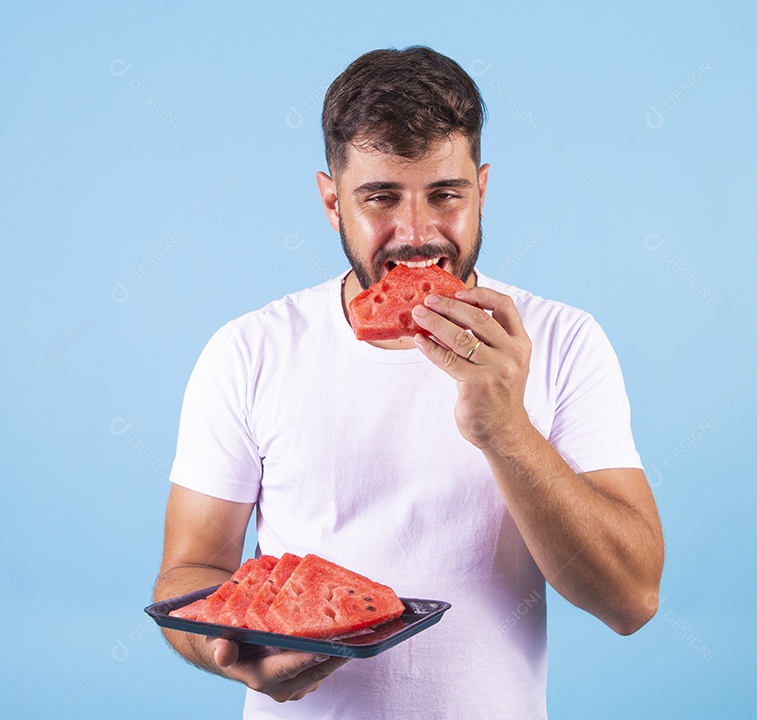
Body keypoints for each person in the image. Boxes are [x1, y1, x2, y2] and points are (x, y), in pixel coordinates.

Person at [154, 45, 664, 718]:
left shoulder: (566, 342)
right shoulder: (248, 351)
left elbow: (630, 600)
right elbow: (189, 577)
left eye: (445, 195)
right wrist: (229, 655)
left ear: (483, 190)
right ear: (332, 201)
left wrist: (506, 431)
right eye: (381, 198)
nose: (418, 236)